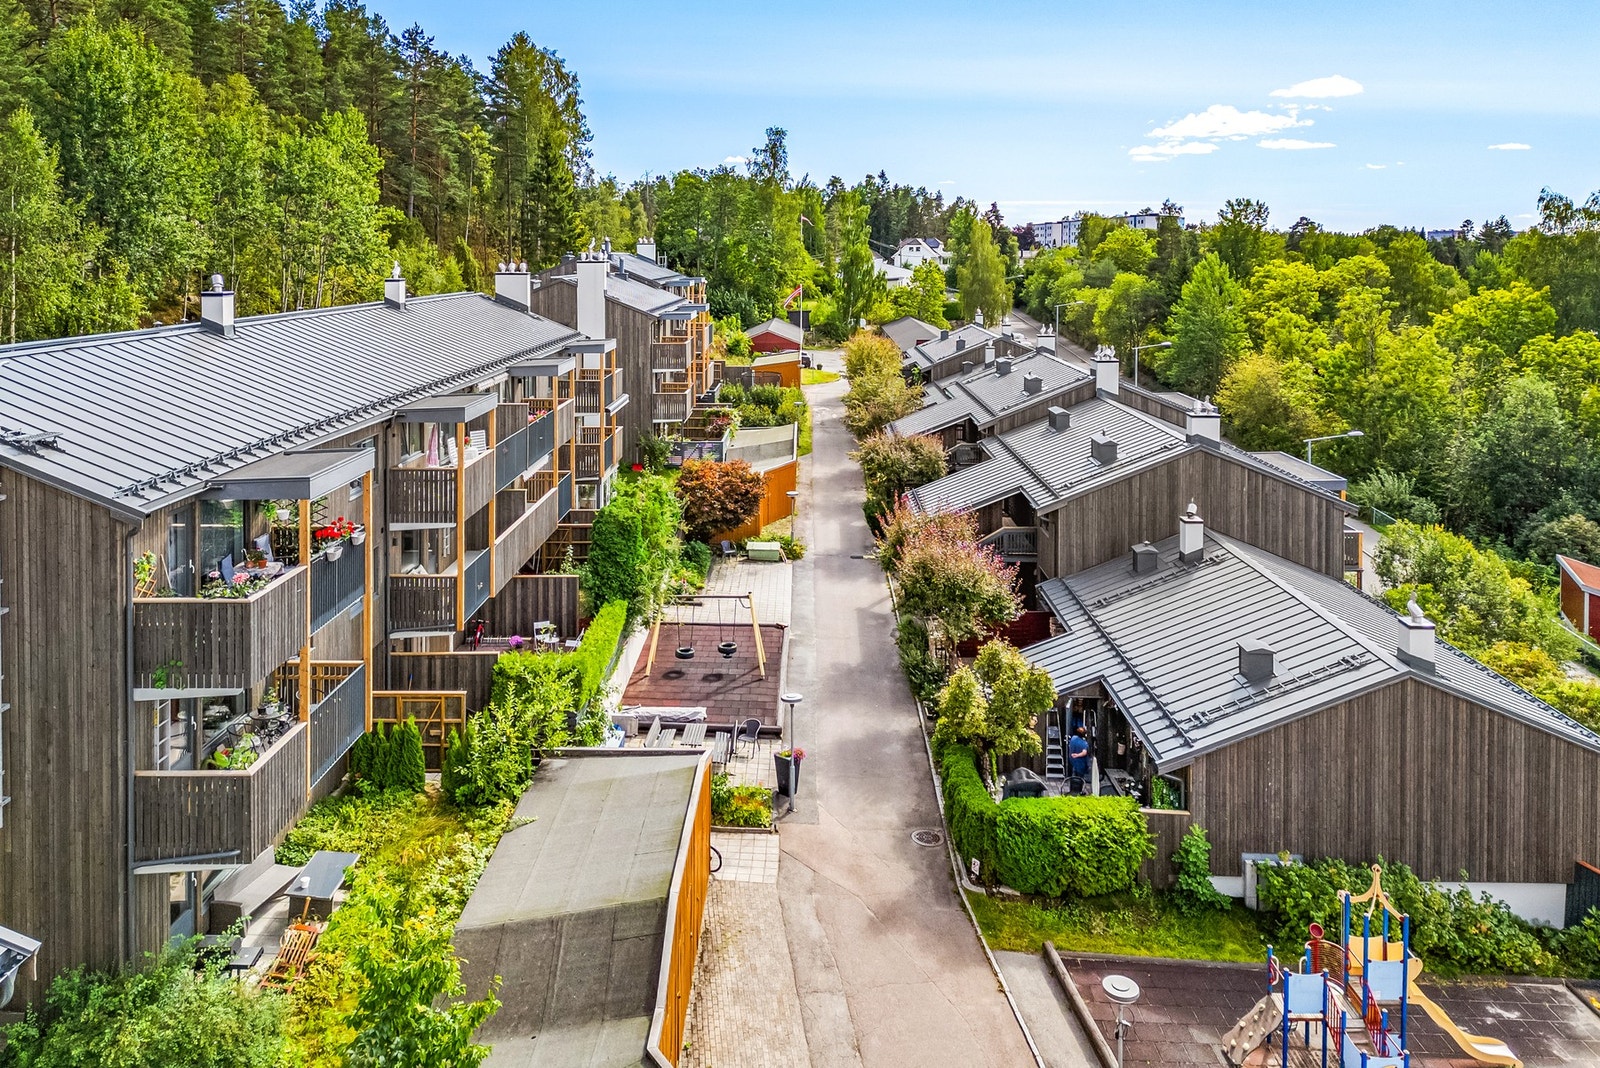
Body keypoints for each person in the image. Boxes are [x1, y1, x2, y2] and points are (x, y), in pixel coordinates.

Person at [1067, 726, 1091, 792]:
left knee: (1073, 777)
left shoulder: (1073, 738)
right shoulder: (1084, 743)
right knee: (1080, 778)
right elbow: (1084, 752)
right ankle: (1079, 791)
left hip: (1073, 762)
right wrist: (1077, 755)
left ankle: (1072, 790)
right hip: (1081, 764)